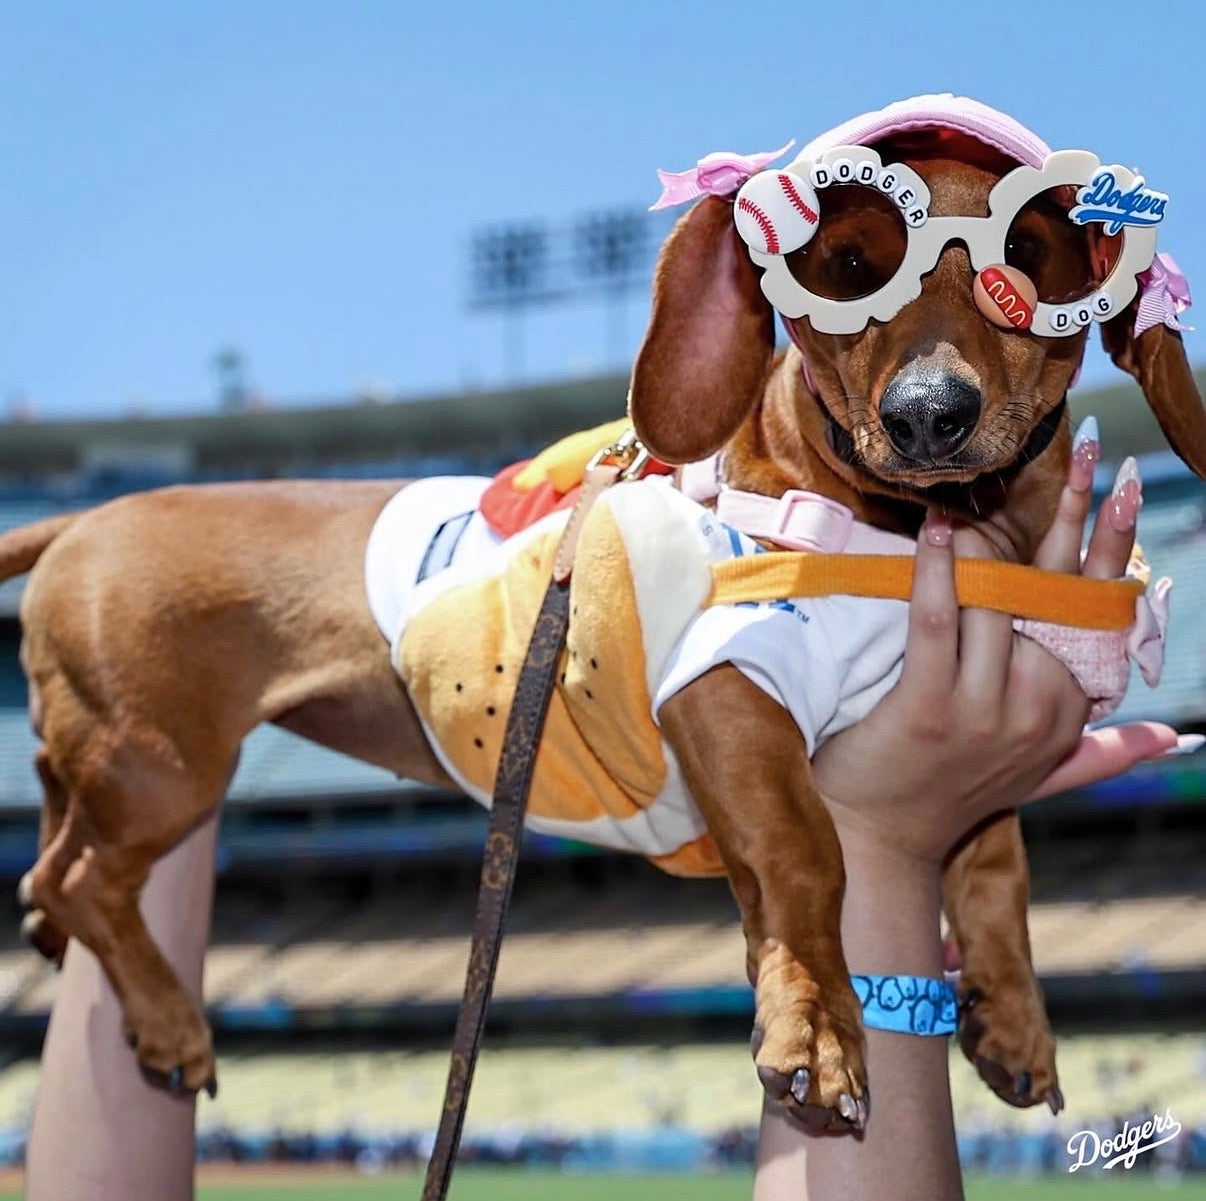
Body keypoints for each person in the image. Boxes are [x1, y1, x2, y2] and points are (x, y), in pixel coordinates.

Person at [23, 446, 1188, 1201]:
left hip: (198, 588)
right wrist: (884, 849)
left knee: (155, 792)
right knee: (151, 794)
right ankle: (84, 888)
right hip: (194, 592)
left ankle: (88, 860)